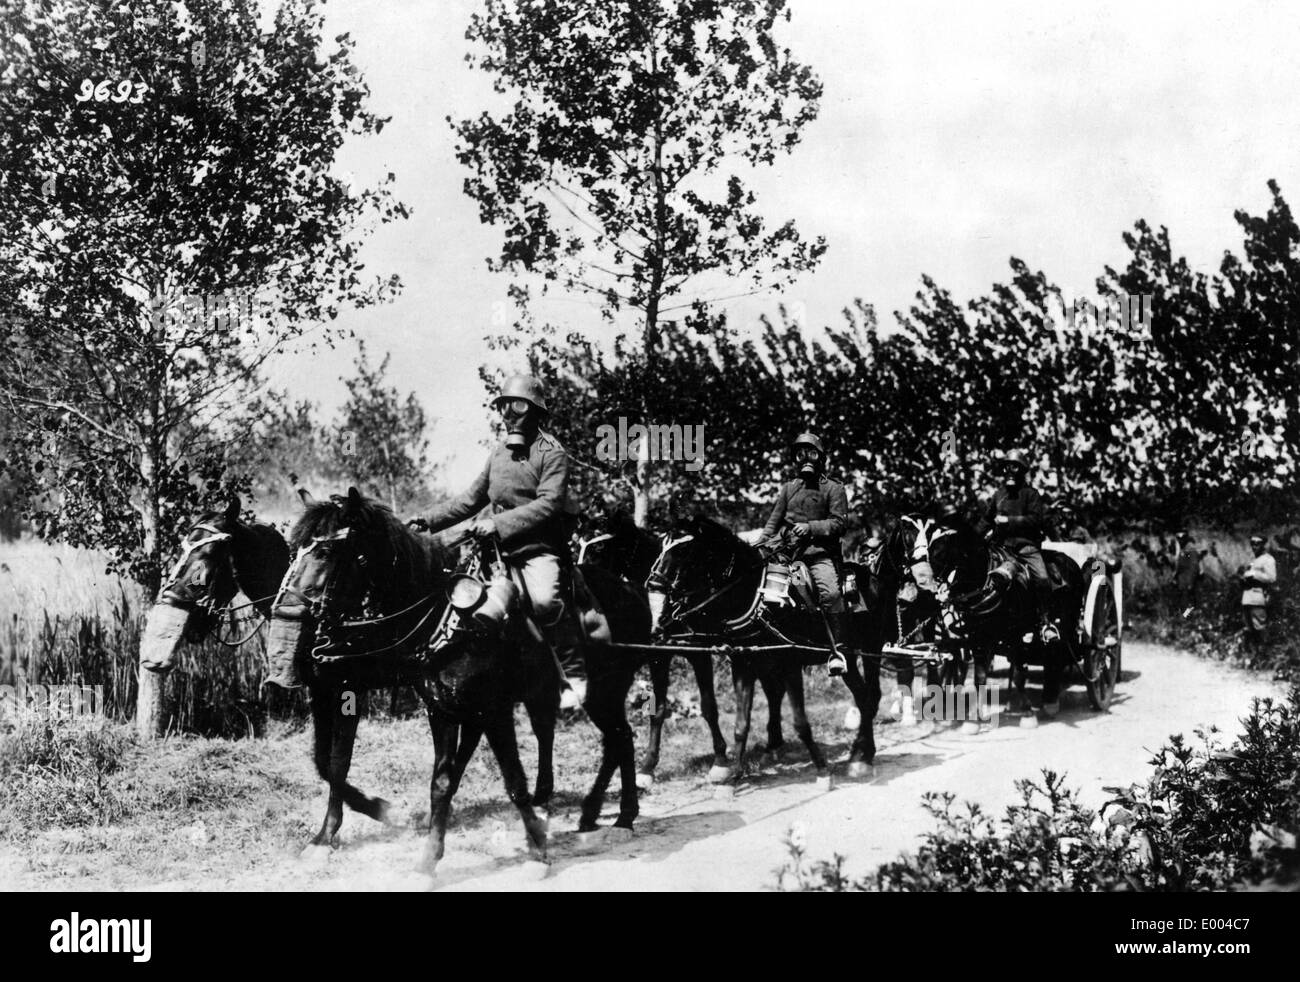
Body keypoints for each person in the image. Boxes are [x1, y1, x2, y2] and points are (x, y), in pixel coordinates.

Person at [414, 375, 587, 709]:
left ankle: (574, 676)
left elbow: (549, 504)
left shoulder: (552, 452)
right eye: (503, 406)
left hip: (538, 551)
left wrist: (497, 523)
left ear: (537, 411)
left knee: (544, 602)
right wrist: (427, 519)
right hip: (495, 555)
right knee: (462, 604)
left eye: (517, 405)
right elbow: (469, 500)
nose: (509, 414)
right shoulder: (498, 453)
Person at [760, 432, 852, 676]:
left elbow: (839, 523)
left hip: (819, 554)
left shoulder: (833, 488)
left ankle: (838, 651)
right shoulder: (788, 488)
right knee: (768, 595)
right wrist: (761, 544)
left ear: (820, 458)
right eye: (800, 454)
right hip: (787, 554)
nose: (805, 459)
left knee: (830, 593)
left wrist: (811, 527)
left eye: (811, 453)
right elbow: (772, 522)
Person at [976, 449, 1058, 643]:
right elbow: (986, 521)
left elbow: (1036, 520)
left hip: (1026, 548)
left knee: (1043, 578)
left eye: (1014, 467)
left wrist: (1008, 521)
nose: (1010, 471)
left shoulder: (1031, 494)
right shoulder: (998, 495)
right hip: (1001, 548)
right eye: (1006, 468)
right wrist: (971, 538)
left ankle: (1045, 622)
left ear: (1022, 471)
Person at [1239, 534, 1277, 646]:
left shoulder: (1268, 559)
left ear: (1263, 545)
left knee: (1260, 629)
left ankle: (1266, 656)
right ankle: (1254, 656)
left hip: (1257, 599)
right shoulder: (1252, 560)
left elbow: (1272, 578)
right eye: (1252, 543)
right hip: (1246, 599)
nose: (1254, 546)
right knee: (1249, 630)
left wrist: (1255, 574)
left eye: (1257, 543)